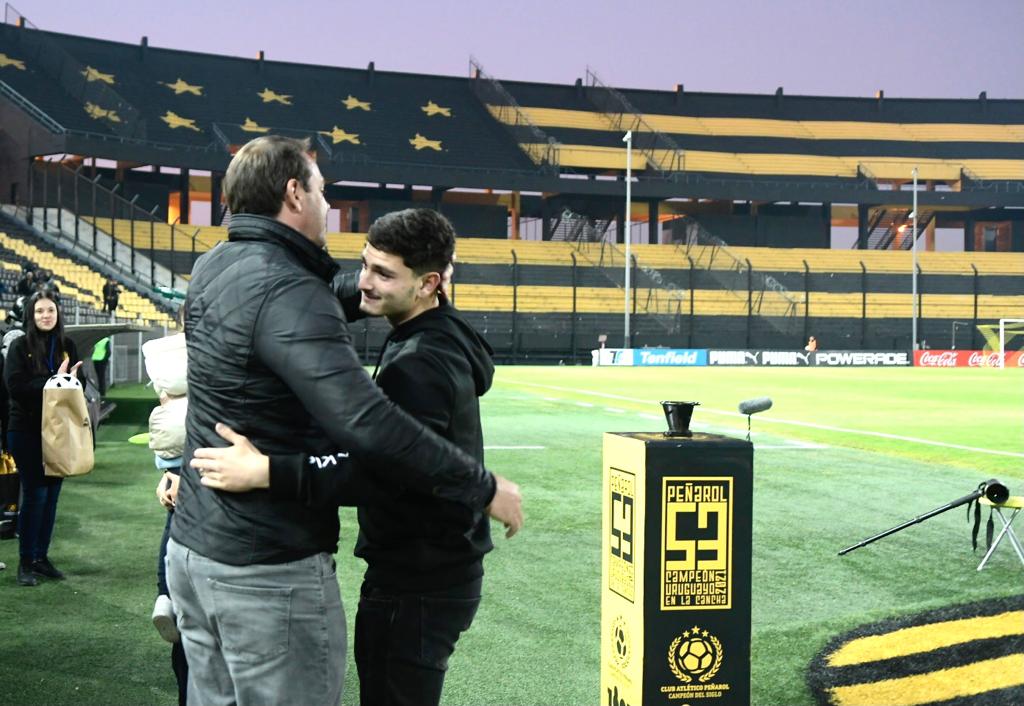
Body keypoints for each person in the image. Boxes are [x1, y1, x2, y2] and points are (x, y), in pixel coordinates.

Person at [166, 135, 522, 706]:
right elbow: (367, 425)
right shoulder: (288, 289)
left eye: (382, 272)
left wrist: (262, 470)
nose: (328, 203)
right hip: (265, 566)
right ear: (294, 193)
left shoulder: (214, 265)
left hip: (195, 548)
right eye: (322, 189)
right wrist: (482, 486)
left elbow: (295, 305)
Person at [3, 289, 81, 586]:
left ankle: (41, 557)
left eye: (50, 310)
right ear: (30, 315)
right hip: (26, 431)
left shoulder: (67, 345)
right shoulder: (20, 346)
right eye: (39, 311)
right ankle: (25, 562)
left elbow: (78, 386)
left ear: (57, 313)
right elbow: (15, 386)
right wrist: (54, 381)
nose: (45, 315)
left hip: (60, 432)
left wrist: (70, 379)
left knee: (51, 498)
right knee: (35, 495)